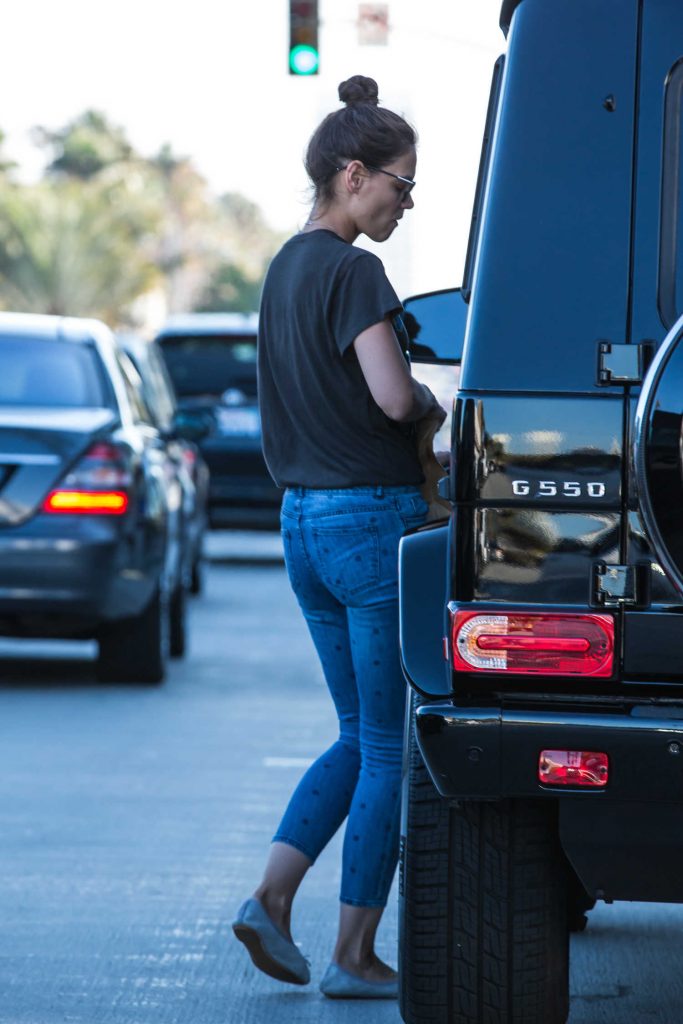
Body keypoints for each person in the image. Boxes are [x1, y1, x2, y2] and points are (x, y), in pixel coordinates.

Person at [232, 74, 446, 1000]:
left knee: (358, 732)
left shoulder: (283, 266)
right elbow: (393, 397)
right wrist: (431, 404)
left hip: (303, 527)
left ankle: (272, 900)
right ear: (351, 175)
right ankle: (354, 956)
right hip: (369, 522)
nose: (405, 202)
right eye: (400, 183)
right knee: (389, 744)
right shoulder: (356, 270)